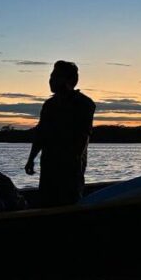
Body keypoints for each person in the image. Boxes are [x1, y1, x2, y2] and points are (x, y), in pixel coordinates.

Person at [25, 61, 96, 207]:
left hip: (70, 167)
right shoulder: (49, 105)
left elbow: (84, 135)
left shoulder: (84, 104)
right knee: (46, 201)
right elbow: (40, 133)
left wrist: (74, 162)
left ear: (70, 80)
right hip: (48, 165)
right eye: (51, 76)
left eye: (56, 76)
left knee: (69, 200)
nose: (51, 80)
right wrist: (31, 158)